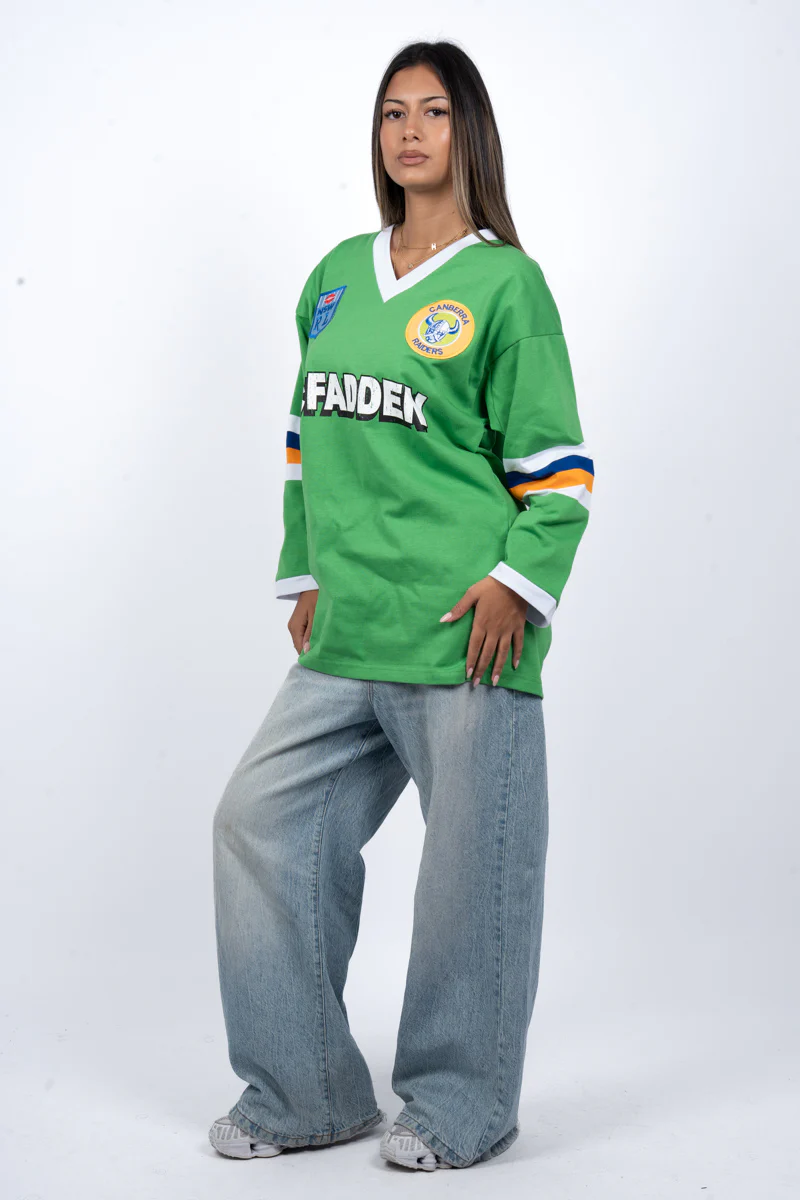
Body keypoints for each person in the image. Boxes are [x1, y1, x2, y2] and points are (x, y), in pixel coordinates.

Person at [209, 38, 595, 1172]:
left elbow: (560, 470)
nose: (409, 131)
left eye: (432, 111)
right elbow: (304, 437)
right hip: (347, 634)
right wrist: (304, 572)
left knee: (470, 881)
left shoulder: (505, 285)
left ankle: (461, 1107)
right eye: (391, 113)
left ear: (468, 130)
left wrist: (517, 584)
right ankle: (307, 1093)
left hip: (465, 636)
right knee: (257, 825)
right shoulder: (335, 274)